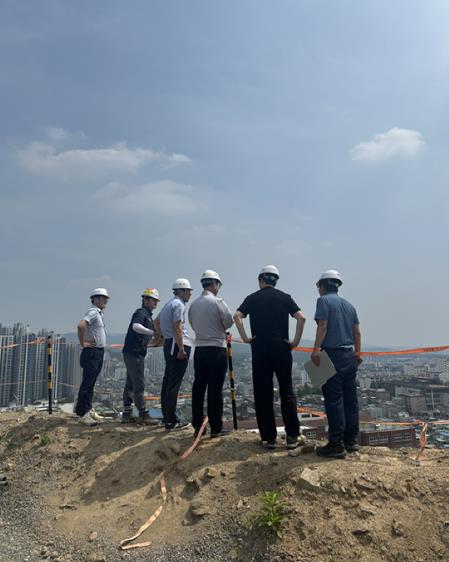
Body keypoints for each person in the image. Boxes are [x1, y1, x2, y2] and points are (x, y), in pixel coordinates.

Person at [234, 266, 306, 449]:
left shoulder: (252, 298)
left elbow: (237, 316)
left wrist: (245, 338)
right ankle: (292, 436)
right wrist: (295, 342)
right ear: (276, 281)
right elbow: (301, 318)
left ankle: (269, 438)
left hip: (260, 350)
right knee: (287, 391)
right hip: (282, 348)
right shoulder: (284, 297)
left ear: (261, 280)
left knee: (263, 392)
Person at [311, 269, 362, 459]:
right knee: (350, 400)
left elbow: (323, 325)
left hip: (331, 355)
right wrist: (357, 353)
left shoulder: (323, 301)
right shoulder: (349, 305)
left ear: (323, 285)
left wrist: (315, 350)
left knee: (334, 401)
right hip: (349, 355)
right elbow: (357, 332)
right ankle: (351, 441)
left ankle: (336, 444)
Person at [188, 269, 234, 439]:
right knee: (215, 389)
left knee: (198, 387)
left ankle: (197, 426)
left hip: (200, 350)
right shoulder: (217, 302)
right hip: (216, 349)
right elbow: (228, 322)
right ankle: (216, 427)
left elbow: (192, 324)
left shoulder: (193, 305)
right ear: (215, 283)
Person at [154, 278, 193, 430]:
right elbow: (178, 327)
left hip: (169, 344)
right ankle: (171, 420)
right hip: (177, 345)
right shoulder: (179, 305)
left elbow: (156, 322)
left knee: (168, 382)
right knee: (174, 384)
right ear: (182, 291)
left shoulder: (168, 304)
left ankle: (167, 417)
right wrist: (181, 348)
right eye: (188, 291)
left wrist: (161, 336)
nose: (190, 294)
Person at [122, 288, 161, 425]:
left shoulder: (148, 316)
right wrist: (152, 332)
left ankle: (126, 413)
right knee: (138, 384)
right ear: (145, 300)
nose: (155, 303)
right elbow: (136, 326)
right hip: (134, 353)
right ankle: (143, 414)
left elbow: (142, 335)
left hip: (133, 352)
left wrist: (155, 339)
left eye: (156, 300)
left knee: (130, 383)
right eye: (153, 300)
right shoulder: (141, 313)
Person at [75, 288, 110, 426]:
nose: (105, 301)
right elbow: (81, 326)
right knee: (88, 383)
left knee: (91, 383)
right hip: (92, 352)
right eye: (102, 298)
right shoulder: (93, 312)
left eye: (106, 298)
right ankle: (83, 413)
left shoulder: (98, 313)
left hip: (97, 351)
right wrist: (83, 343)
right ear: (95, 299)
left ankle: (87, 410)